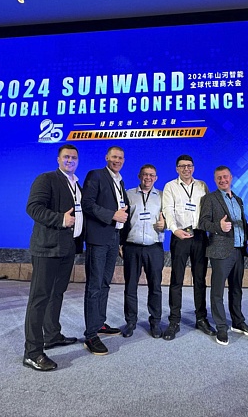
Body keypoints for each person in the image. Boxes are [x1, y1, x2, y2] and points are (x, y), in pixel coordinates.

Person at [23, 144, 84, 371]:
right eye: (66, 157)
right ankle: (32, 352)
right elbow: (33, 208)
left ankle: (52, 335)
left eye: (74, 157)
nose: (70, 160)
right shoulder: (46, 179)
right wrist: (60, 219)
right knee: (39, 298)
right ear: (58, 159)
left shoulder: (76, 184)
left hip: (67, 249)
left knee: (57, 293)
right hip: (47, 249)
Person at [199, 166, 248, 346]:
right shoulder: (210, 198)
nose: (222, 180)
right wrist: (218, 227)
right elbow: (203, 223)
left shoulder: (238, 199)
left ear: (231, 177)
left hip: (239, 250)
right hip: (220, 251)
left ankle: (238, 322)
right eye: (219, 178)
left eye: (225, 177)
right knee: (217, 292)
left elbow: (242, 222)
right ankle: (221, 327)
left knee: (236, 289)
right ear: (215, 180)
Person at [82, 146, 130, 355]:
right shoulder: (96, 175)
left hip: (113, 238)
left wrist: (120, 239)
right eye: (114, 157)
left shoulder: (119, 181)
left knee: (104, 284)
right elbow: (87, 204)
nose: (117, 160)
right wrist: (112, 215)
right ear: (106, 157)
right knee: (94, 286)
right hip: (98, 238)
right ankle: (91, 335)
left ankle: (99, 323)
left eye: (120, 158)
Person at [161, 154, 215, 340]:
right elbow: (168, 210)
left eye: (189, 166)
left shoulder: (202, 186)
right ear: (177, 168)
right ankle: (174, 320)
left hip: (199, 236)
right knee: (176, 279)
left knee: (200, 279)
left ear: (193, 167)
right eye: (182, 166)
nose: (186, 169)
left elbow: (207, 210)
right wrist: (174, 230)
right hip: (180, 235)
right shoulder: (170, 186)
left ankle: (201, 318)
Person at [120, 164, 165, 339]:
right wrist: (120, 243)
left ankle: (155, 322)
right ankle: (130, 322)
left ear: (156, 178)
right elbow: (123, 221)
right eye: (145, 174)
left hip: (154, 247)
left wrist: (165, 224)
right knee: (130, 287)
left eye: (152, 175)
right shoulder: (129, 194)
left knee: (155, 287)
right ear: (139, 176)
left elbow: (170, 218)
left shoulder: (162, 196)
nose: (148, 178)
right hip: (132, 246)